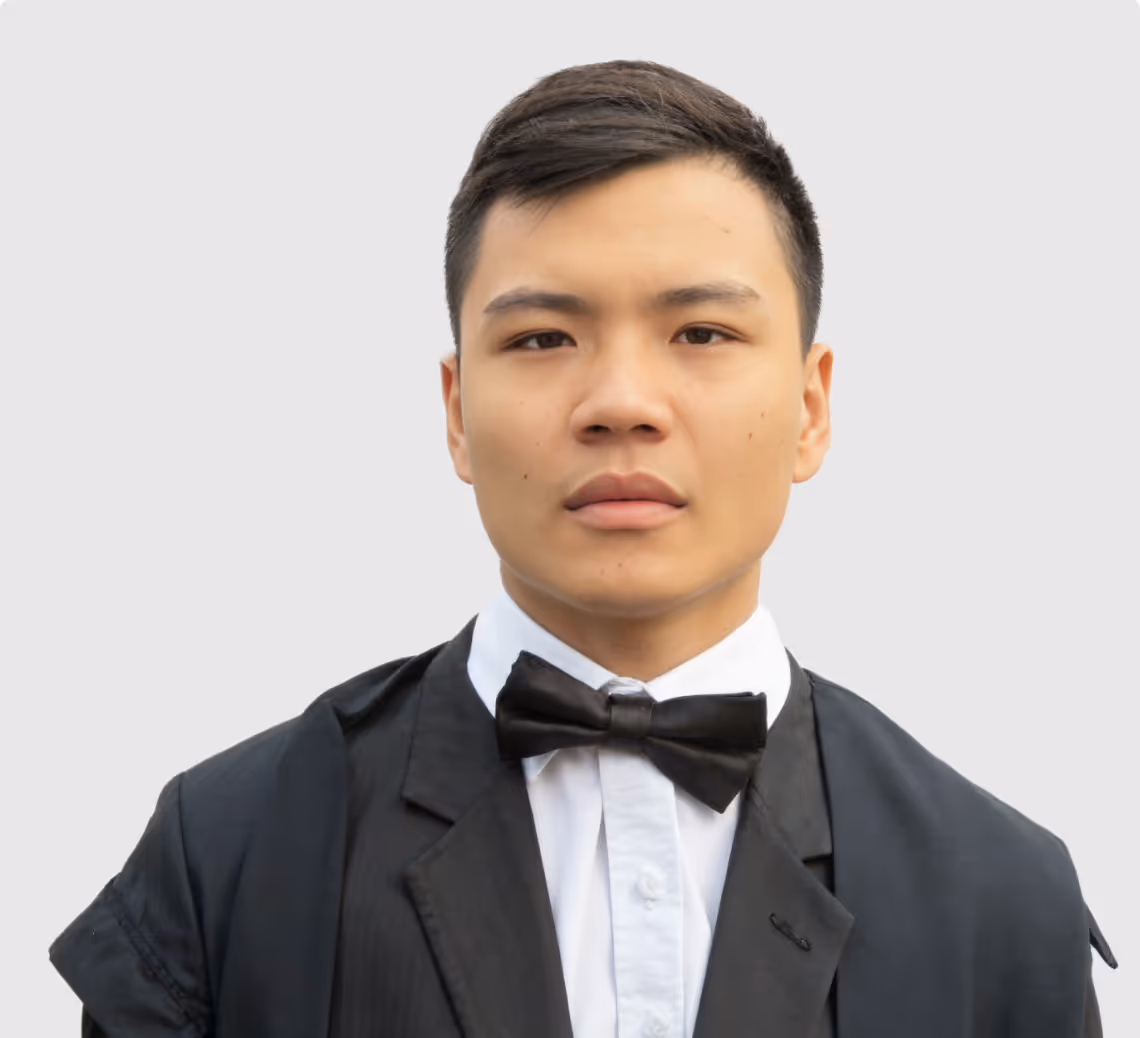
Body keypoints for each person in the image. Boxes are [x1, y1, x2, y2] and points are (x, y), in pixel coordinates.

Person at [50, 59, 1115, 1038]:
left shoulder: (1002, 900)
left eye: (701, 333)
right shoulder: (227, 856)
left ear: (810, 406)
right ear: (456, 412)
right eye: (543, 338)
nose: (621, 402)